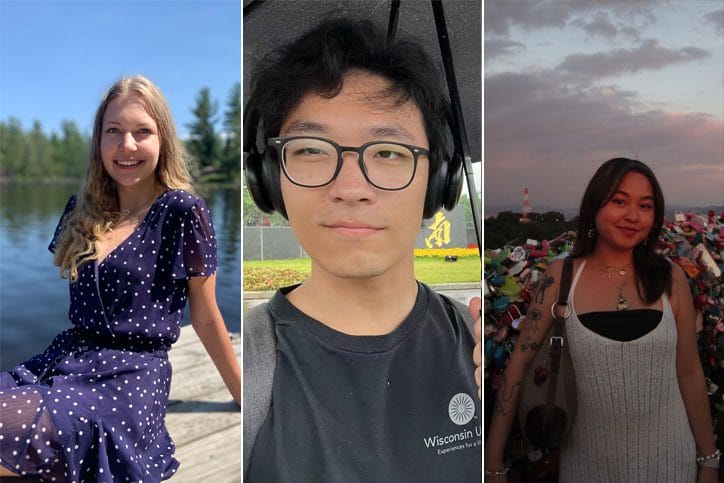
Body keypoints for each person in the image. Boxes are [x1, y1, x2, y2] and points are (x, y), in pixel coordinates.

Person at [243, 18, 482, 482]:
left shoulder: (477, 344)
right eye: (311, 149)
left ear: (440, 182)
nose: (350, 188)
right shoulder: (248, 370)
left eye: (389, 152)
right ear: (270, 180)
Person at [0, 76, 241, 482]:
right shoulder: (81, 208)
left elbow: (204, 314)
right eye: (114, 131)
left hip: (131, 376)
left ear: (162, 139)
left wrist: (241, 395)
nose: (127, 145)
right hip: (66, 358)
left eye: (142, 131)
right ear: (99, 142)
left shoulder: (182, 211)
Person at [477, 158, 720, 482]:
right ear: (594, 205)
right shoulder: (561, 279)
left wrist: (708, 460)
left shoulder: (670, 278)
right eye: (619, 201)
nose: (633, 216)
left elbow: (689, 371)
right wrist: (493, 462)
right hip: (589, 469)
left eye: (645, 206)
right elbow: (517, 367)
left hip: (673, 464)